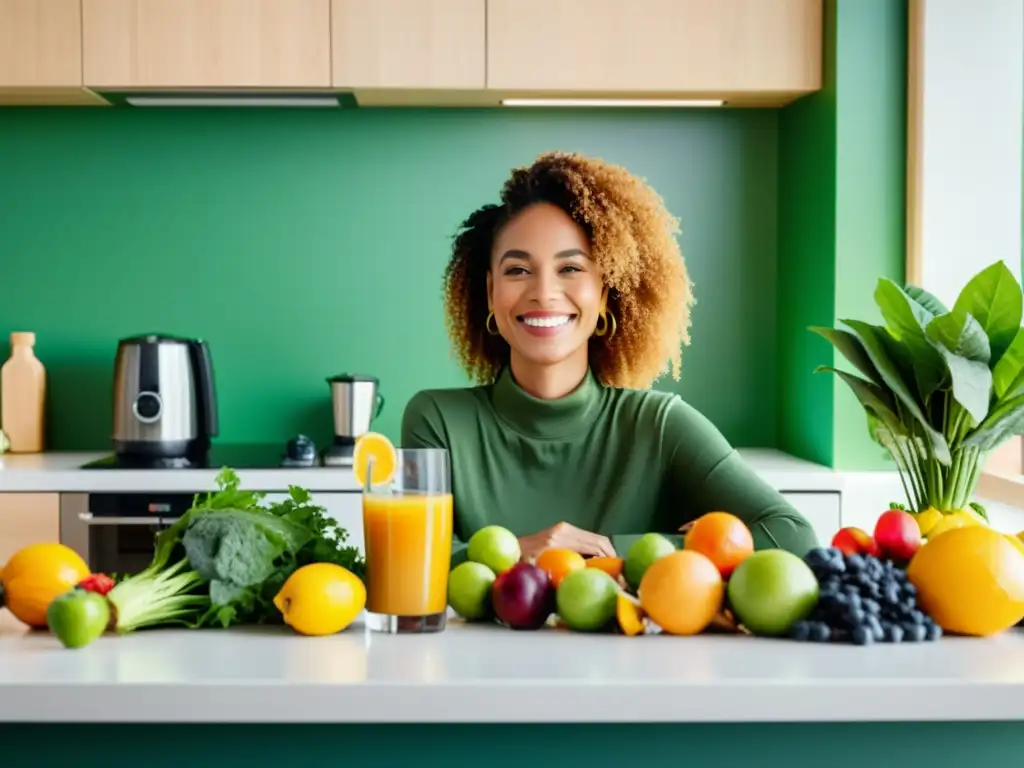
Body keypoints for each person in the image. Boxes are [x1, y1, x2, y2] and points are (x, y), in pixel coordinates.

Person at [401, 151, 818, 565]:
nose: (543, 292)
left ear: (604, 294)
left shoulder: (658, 426)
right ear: (491, 293)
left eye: (570, 269)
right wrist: (523, 552)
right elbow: (413, 559)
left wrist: (614, 550)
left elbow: (793, 535)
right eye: (517, 270)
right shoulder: (437, 420)